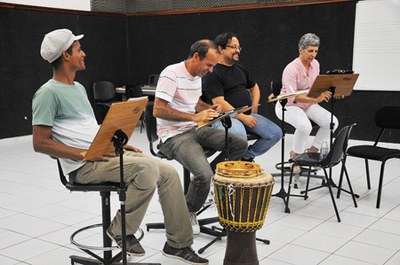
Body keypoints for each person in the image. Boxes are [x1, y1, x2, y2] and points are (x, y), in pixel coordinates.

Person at [32, 28, 208, 265]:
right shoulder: (47, 93)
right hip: (82, 166)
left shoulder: (78, 88)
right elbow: (40, 143)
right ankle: (120, 230)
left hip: (99, 157)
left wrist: (120, 147)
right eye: (78, 49)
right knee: (147, 170)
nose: (83, 53)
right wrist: (84, 153)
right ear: (65, 55)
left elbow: (87, 131)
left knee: (168, 172)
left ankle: (178, 244)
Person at [153, 39, 248, 234]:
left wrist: (209, 109)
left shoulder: (197, 75)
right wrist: (194, 117)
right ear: (196, 57)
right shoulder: (171, 74)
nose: (211, 70)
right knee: (203, 175)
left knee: (239, 144)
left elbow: (194, 102)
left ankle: (208, 182)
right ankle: (188, 211)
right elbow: (158, 109)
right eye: (209, 65)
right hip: (173, 135)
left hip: (195, 128)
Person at [202, 32, 282, 162]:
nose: (237, 50)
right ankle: (214, 170)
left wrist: (254, 107)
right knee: (239, 139)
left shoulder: (240, 69)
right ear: (221, 49)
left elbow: (254, 87)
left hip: (246, 115)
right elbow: (219, 102)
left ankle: (245, 156)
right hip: (225, 118)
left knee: (275, 133)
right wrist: (242, 117)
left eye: (239, 47)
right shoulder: (213, 72)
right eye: (233, 47)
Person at [275, 33, 338, 173]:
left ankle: (312, 152)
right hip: (288, 105)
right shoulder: (291, 68)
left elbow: (315, 87)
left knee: (332, 122)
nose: (313, 54)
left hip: (307, 104)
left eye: (316, 51)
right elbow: (293, 96)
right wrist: (316, 99)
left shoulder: (316, 64)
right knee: (305, 126)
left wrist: (332, 92)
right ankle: (295, 158)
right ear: (301, 50)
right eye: (310, 51)